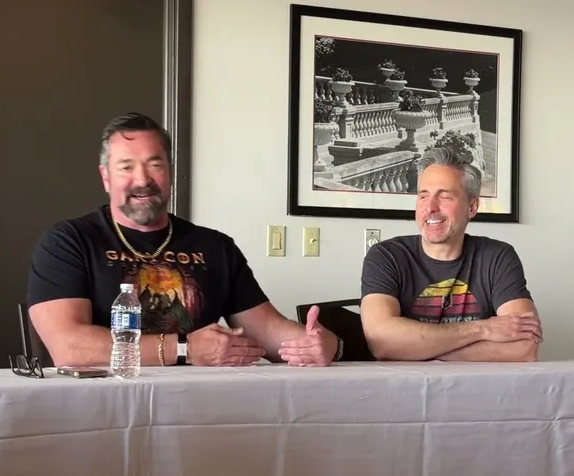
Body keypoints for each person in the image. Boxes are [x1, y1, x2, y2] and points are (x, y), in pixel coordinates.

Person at [27, 113, 342, 367]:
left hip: (198, 407)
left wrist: (322, 344)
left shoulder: (215, 247)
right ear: (106, 177)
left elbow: (268, 330)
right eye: (126, 167)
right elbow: (69, 347)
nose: (142, 179)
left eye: (155, 165)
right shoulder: (68, 242)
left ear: (170, 173)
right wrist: (185, 349)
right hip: (102, 406)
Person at [359, 146, 541, 362]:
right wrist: (482, 329)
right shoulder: (386, 256)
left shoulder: (498, 257)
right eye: (423, 196)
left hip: (478, 384)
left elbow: (524, 347)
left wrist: (417, 349)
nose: (430, 207)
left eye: (444, 197)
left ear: (471, 207)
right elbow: (382, 341)